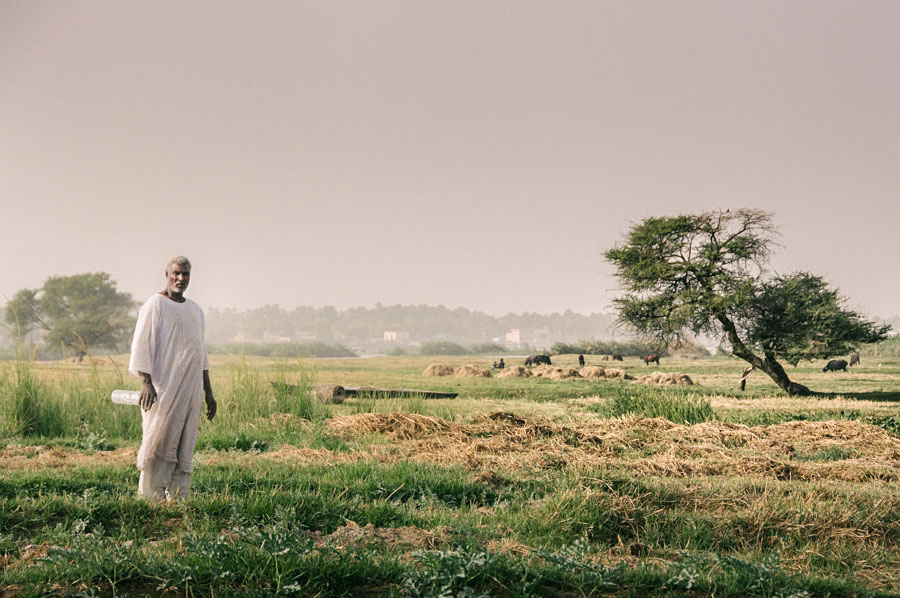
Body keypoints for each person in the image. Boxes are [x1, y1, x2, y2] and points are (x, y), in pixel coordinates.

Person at [129, 256, 216, 501]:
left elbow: (201, 354)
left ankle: (178, 497)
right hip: (163, 389)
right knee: (158, 438)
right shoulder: (155, 304)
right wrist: (145, 381)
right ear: (166, 274)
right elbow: (142, 344)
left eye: (185, 274)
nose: (180, 279)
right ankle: (150, 497)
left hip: (191, 391)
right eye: (176, 273)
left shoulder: (195, 311)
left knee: (185, 439)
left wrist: (208, 393)